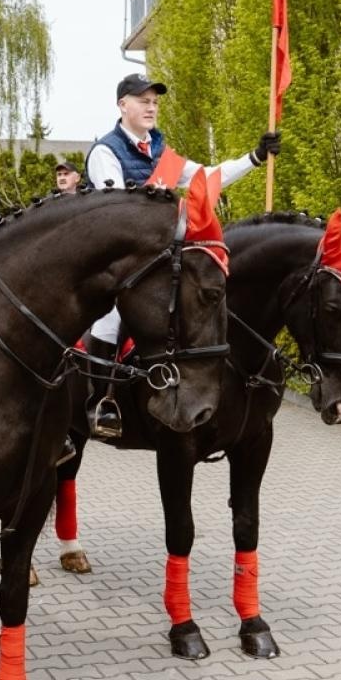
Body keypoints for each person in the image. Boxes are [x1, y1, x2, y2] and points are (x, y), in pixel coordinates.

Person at [81, 72, 280, 439]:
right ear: (123, 105)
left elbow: (206, 177)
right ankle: (100, 400)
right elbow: (119, 213)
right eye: (143, 100)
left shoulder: (161, 153)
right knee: (109, 317)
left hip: (152, 261)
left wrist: (253, 158)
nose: (151, 107)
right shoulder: (106, 152)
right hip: (111, 259)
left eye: (155, 101)